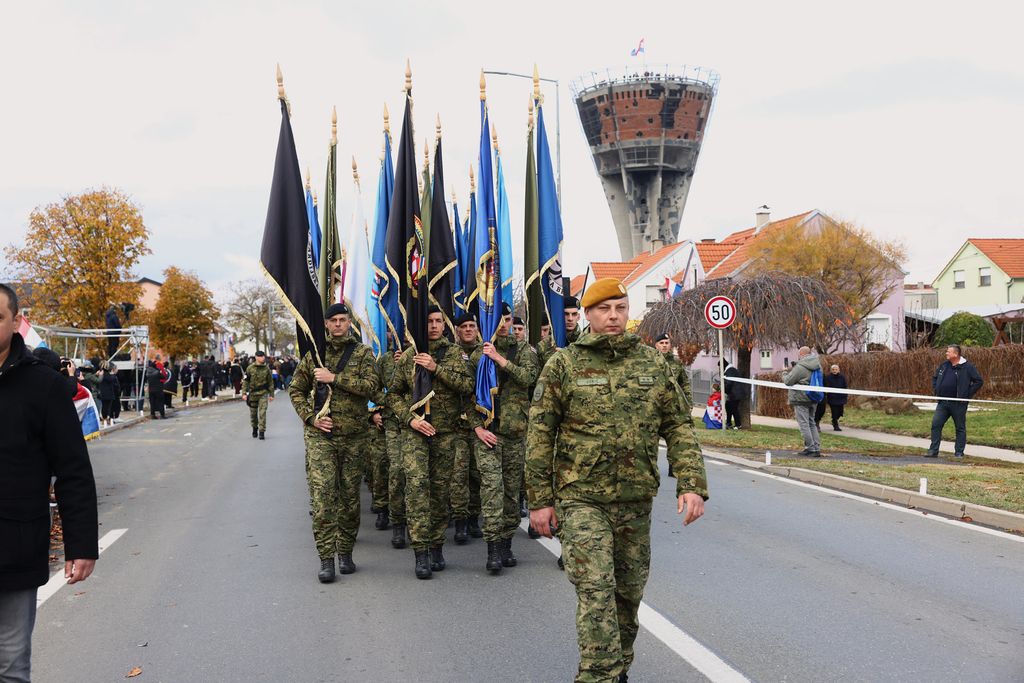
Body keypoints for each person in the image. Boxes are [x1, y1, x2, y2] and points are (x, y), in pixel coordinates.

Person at [526, 277, 707, 683]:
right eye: (604, 309)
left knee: (627, 594)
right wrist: (539, 500)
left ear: (628, 313)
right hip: (581, 498)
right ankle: (598, 675)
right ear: (587, 315)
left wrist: (691, 483)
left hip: (635, 498)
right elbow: (540, 434)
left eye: (620, 308)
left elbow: (677, 425)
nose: (613, 316)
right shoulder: (564, 365)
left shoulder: (652, 364)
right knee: (595, 588)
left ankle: (617, 667)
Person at [0, 283, 98, 683]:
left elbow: (73, 470)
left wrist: (81, 545)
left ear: (16, 322)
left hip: (15, 547)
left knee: (10, 666)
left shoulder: (44, 386)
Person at [288, 303, 379, 583]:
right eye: (333, 320)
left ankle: (345, 552)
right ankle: (326, 559)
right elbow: (296, 390)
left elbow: (372, 386)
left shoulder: (363, 353)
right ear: (326, 324)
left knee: (350, 500)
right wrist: (311, 418)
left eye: (343, 320)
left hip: (354, 437)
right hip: (321, 437)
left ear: (350, 322)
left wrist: (334, 378)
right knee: (324, 499)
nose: (338, 324)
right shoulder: (315, 354)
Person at [390, 306, 474, 579]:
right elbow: (392, 395)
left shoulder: (452, 353)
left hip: (445, 432)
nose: (435, 326)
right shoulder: (408, 358)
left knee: (439, 494)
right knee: (416, 491)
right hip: (415, 433)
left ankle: (437, 545)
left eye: (439, 321)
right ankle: (421, 552)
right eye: (429, 321)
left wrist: (435, 368)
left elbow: (466, 385)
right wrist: (410, 419)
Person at [470, 303, 539, 574]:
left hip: (514, 433)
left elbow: (529, 378)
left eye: (507, 319)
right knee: (491, 490)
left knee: (511, 493)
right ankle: (492, 548)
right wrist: (476, 427)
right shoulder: (478, 355)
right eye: (497, 319)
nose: (503, 324)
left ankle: (506, 542)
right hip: (488, 433)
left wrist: (500, 360)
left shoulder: (524, 350)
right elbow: (466, 396)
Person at [451, 311, 484, 544]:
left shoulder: (487, 352)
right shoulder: (451, 354)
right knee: (458, 475)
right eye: (464, 326)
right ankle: (460, 520)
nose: (469, 329)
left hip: (482, 423)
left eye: (472, 325)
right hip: (458, 424)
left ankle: (474, 517)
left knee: (477, 474)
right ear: (457, 330)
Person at [927, 344, 983, 458]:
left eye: (948, 352)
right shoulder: (944, 365)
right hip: (943, 403)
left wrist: (966, 394)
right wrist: (936, 388)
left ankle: (959, 452)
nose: (946, 353)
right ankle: (933, 451)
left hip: (958, 404)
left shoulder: (967, 367)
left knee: (960, 428)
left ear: (956, 354)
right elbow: (935, 377)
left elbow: (978, 381)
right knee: (936, 425)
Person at [783, 346, 823, 457]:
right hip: (813, 397)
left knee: (804, 424)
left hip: (801, 398)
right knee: (812, 423)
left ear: (801, 354)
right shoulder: (817, 365)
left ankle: (810, 448)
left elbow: (788, 381)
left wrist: (785, 372)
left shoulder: (800, 366)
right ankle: (816, 447)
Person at [652, 333, 693, 424]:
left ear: (670, 345)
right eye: (661, 343)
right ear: (656, 345)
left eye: (667, 343)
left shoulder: (676, 362)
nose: (664, 345)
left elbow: (684, 383)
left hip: (672, 405)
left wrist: (689, 403)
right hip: (653, 404)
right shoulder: (650, 361)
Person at [537, 295, 583, 368]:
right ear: (560, 316)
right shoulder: (545, 345)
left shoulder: (585, 341)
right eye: (566, 314)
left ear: (578, 317)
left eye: (574, 314)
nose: (570, 318)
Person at [242, 350, 274, 440]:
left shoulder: (266, 368)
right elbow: (245, 381)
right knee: (253, 414)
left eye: (263, 356)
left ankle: (262, 431)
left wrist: (271, 394)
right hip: (252, 394)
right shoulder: (250, 368)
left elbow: (270, 382)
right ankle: (254, 428)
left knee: (262, 413)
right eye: (261, 356)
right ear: (256, 357)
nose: (263, 358)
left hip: (263, 393)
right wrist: (244, 393)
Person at [815, 364, 848, 431]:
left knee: (840, 412)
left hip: (841, 397)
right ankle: (835, 424)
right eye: (833, 369)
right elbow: (826, 387)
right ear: (831, 370)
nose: (834, 371)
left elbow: (845, 386)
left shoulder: (842, 377)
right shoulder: (828, 377)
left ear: (839, 370)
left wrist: (845, 395)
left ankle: (834, 420)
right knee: (834, 412)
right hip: (832, 398)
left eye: (836, 369)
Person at [721, 359, 744, 430]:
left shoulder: (730, 371)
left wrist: (724, 390)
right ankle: (728, 423)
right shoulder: (731, 370)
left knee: (733, 409)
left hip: (735, 394)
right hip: (734, 393)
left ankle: (738, 424)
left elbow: (729, 383)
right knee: (728, 407)